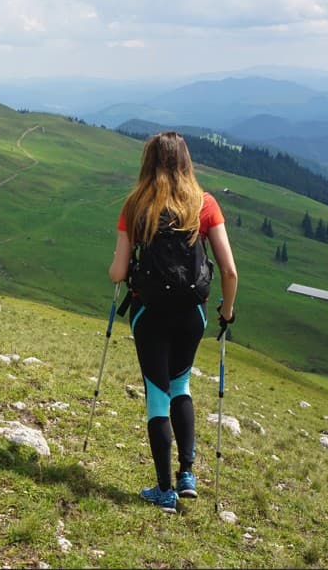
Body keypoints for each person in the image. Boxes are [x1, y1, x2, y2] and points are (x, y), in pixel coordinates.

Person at [108, 131, 238, 512]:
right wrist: (226, 312)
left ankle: (164, 491)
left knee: (157, 396)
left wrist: (125, 268)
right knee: (181, 384)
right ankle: (187, 476)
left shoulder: (135, 206)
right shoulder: (205, 204)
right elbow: (229, 271)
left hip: (150, 315)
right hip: (192, 315)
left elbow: (117, 273)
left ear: (148, 162)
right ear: (186, 162)